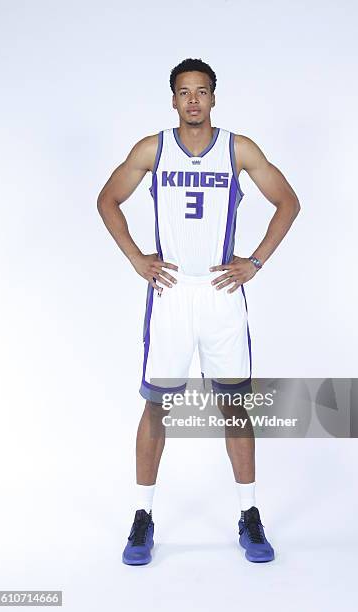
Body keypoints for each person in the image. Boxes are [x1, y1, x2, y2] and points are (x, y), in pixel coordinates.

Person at [97, 58, 300, 565]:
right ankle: (142, 517)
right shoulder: (153, 148)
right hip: (170, 292)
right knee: (156, 405)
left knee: (234, 406)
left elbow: (288, 202)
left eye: (201, 91)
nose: (193, 100)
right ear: (173, 99)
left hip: (220, 292)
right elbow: (108, 199)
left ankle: (249, 515)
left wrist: (254, 262)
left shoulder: (238, 148)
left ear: (213, 98)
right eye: (184, 92)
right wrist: (135, 257)